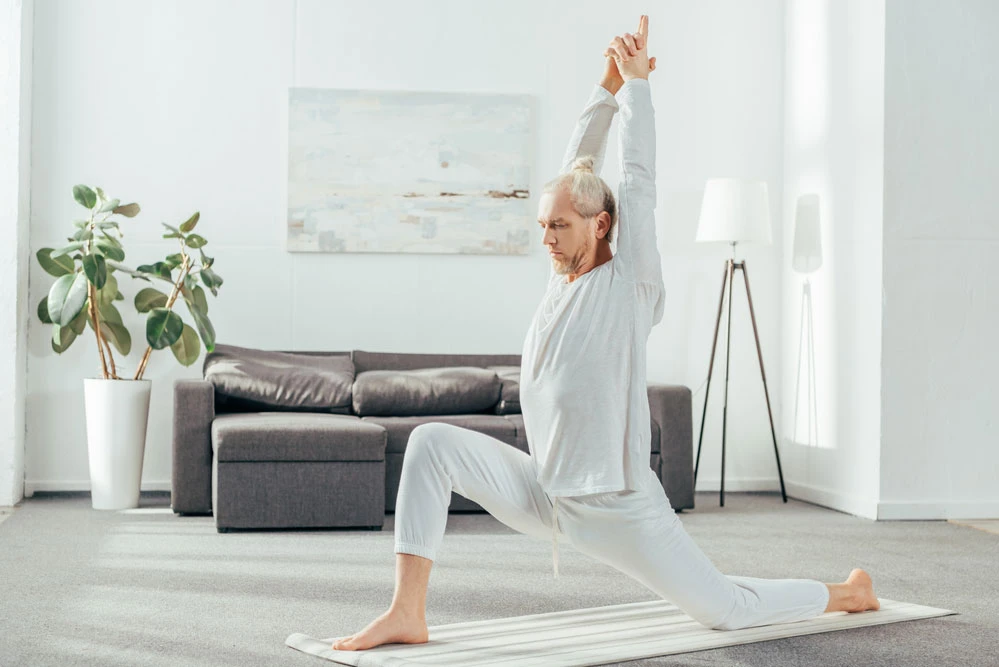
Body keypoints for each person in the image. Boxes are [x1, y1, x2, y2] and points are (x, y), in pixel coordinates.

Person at [331, 15, 879, 652]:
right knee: (430, 445)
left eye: (558, 226)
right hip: (546, 490)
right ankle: (407, 611)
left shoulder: (631, 285)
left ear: (601, 225)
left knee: (725, 610)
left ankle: (847, 593)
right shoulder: (559, 277)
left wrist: (638, 89)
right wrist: (605, 83)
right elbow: (577, 166)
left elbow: (638, 181)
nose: (546, 238)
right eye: (542, 225)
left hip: (617, 507)